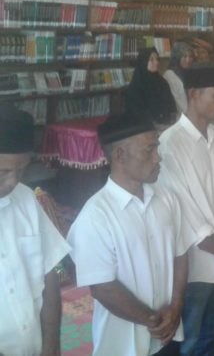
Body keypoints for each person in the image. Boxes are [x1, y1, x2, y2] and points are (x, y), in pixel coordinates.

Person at [68, 112, 189, 356]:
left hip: (168, 333)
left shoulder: (166, 198)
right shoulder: (95, 217)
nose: (158, 157)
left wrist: (175, 308)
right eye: (149, 150)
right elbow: (103, 288)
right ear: (120, 155)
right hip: (124, 344)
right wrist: (154, 321)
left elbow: (181, 255)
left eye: (157, 147)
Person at [157, 67, 214, 356]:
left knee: (213, 331)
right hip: (196, 264)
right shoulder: (170, 144)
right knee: (189, 337)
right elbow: (185, 212)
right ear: (194, 95)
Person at [0, 105, 70, 356]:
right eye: (3, 171)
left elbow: (50, 272)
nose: (13, 181)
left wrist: (51, 345)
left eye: (21, 170)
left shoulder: (26, 199)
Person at [124, 47, 178, 127]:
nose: (156, 62)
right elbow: (136, 114)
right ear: (143, 62)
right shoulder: (136, 87)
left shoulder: (162, 82)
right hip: (146, 129)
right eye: (151, 60)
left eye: (157, 59)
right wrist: (156, 125)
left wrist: (171, 121)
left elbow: (171, 106)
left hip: (167, 125)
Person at [163, 41, 195, 114]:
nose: (188, 60)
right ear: (177, 57)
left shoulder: (191, 73)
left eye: (190, 56)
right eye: (184, 56)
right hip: (179, 116)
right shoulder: (170, 75)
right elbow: (177, 101)